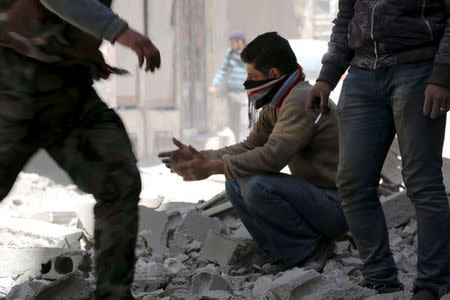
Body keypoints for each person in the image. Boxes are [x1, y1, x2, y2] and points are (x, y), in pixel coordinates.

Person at [0, 0, 161, 299]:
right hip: (13, 81)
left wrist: (84, 51)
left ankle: (113, 294)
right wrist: (124, 33)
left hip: (67, 91)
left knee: (119, 181)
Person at [160, 32, 348, 271]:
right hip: (315, 200)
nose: (247, 82)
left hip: (337, 206)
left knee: (258, 185)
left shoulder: (301, 99)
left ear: (273, 75)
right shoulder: (278, 101)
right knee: (236, 181)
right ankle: (280, 252)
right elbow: (249, 146)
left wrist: (212, 168)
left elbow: (272, 157)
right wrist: (203, 157)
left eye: (252, 76)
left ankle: (311, 250)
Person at [307, 1, 450, 299]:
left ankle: (432, 283)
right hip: (361, 74)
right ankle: (379, 277)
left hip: (418, 70)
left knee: (423, 183)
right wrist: (326, 76)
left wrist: (442, 75)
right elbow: (346, 16)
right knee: (352, 183)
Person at [209, 31, 249, 142]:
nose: (231, 45)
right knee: (233, 121)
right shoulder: (230, 54)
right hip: (232, 93)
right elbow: (223, 70)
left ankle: (244, 144)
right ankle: (236, 143)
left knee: (244, 122)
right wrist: (214, 84)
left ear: (240, 42)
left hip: (245, 93)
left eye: (233, 42)